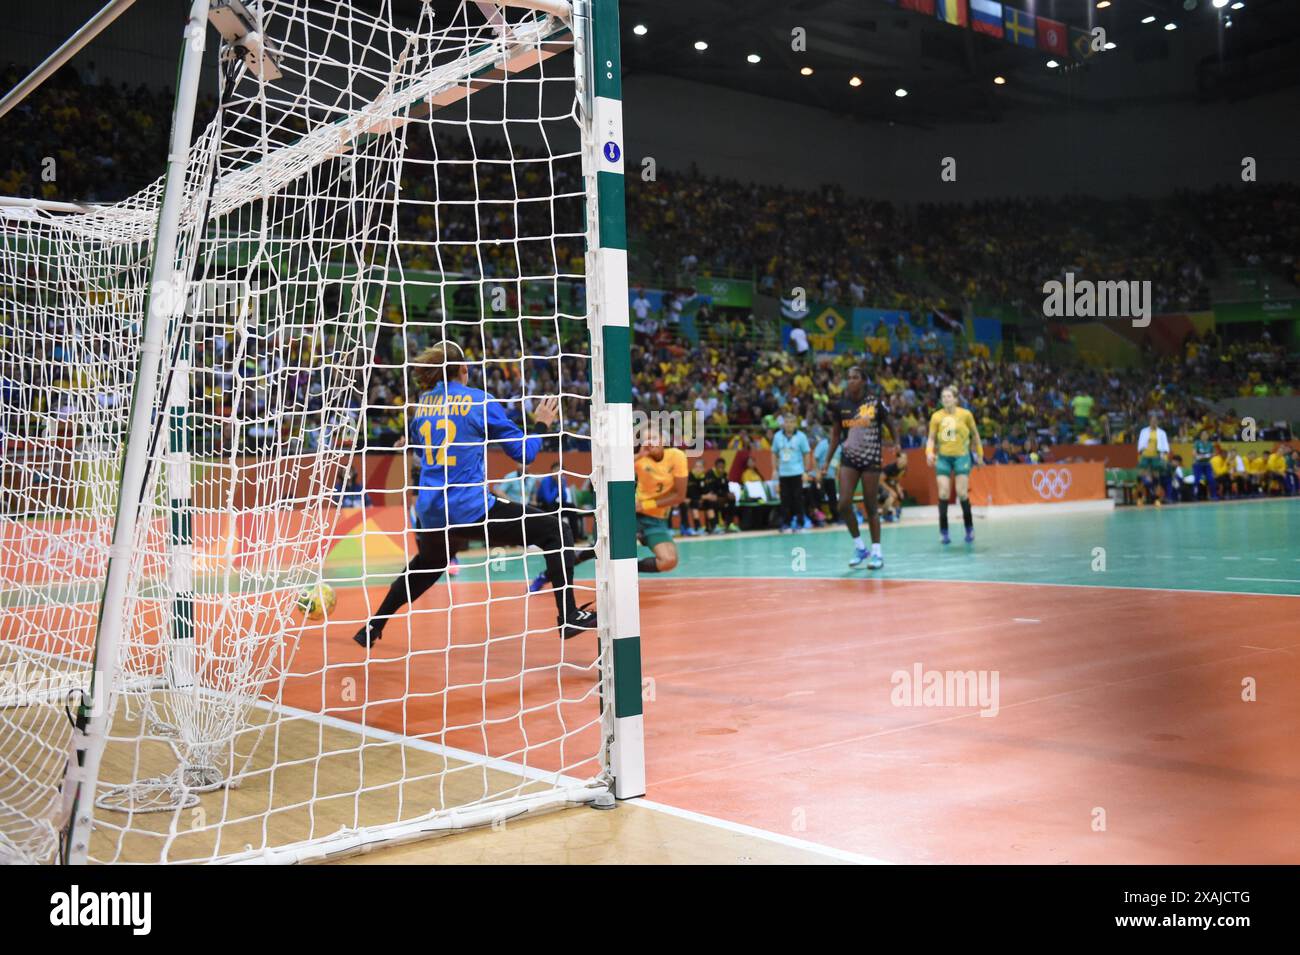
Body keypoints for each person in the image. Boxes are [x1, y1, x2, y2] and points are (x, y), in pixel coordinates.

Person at [353, 342, 596, 647]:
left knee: (428, 564)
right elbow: (525, 455)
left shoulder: (420, 406)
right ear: (464, 370)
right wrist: (541, 424)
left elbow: (421, 451)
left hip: (429, 511)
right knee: (555, 529)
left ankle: (373, 626)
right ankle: (568, 615)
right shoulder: (479, 401)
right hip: (468, 509)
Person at [818, 366, 893, 569]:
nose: (850, 381)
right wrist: (826, 461)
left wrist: (898, 444)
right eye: (848, 377)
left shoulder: (875, 402)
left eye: (855, 377)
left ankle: (877, 552)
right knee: (843, 504)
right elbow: (835, 436)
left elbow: (890, 422)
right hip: (849, 458)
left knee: (870, 506)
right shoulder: (840, 405)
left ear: (863, 381)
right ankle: (860, 547)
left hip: (871, 459)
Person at [926, 385, 982, 544]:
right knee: (943, 494)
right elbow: (930, 438)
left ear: (956, 399)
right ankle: (943, 532)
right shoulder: (936, 417)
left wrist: (980, 455)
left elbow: (975, 435)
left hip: (961, 458)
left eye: (949, 396)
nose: (945, 399)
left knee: (962, 493)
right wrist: (929, 453)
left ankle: (969, 528)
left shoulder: (966, 415)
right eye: (943, 397)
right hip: (943, 458)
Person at [633, 428, 687, 573]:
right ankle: (578, 555)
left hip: (656, 519)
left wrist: (645, 505)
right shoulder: (640, 460)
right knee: (610, 549)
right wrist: (639, 455)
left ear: (663, 439)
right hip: (633, 515)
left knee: (669, 561)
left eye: (654, 437)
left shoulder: (677, 456)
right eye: (646, 439)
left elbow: (680, 495)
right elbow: (615, 468)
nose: (651, 442)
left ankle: (627, 569)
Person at [771, 416, 813, 532]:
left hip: (797, 472)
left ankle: (800, 523)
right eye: (787, 422)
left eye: (791, 422)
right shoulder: (777, 436)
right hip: (783, 473)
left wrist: (805, 471)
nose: (789, 424)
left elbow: (806, 453)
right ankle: (786, 524)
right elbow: (774, 453)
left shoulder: (801, 436)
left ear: (795, 424)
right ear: (783, 424)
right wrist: (774, 469)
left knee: (798, 499)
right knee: (785, 499)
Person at [1135, 412, 1171, 506]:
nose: (1154, 422)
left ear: (1157, 422)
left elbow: (1165, 446)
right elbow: (1140, 444)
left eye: (1155, 421)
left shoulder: (1162, 433)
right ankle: (1139, 498)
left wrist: (1164, 457)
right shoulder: (1144, 431)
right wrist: (1141, 454)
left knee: (1156, 478)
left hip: (1156, 456)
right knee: (1140, 477)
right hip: (1145, 456)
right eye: (1152, 421)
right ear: (1149, 422)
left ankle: (1156, 499)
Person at [879, 452, 907, 522]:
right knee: (892, 496)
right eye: (903, 458)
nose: (905, 460)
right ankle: (883, 515)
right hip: (879, 485)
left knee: (900, 495)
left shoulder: (904, 469)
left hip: (889, 485)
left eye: (906, 458)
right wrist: (891, 491)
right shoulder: (890, 468)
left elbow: (896, 481)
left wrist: (899, 490)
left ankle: (897, 514)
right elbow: (880, 481)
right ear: (898, 460)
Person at [1192, 429, 1218, 501]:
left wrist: (1208, 455)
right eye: (1203, 435)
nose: (1204, 436)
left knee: (1211, 479)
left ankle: (1214, 495)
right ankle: (1195, 496)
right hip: (1198, 464)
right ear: (1200, 436)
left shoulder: (1210, 444)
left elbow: (1213, 453)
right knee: (1196, 480)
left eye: (1206, 435)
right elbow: (1194, 453)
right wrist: (1199, 456)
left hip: (1207, 464)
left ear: (1208, 436)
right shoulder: (1197, 443)